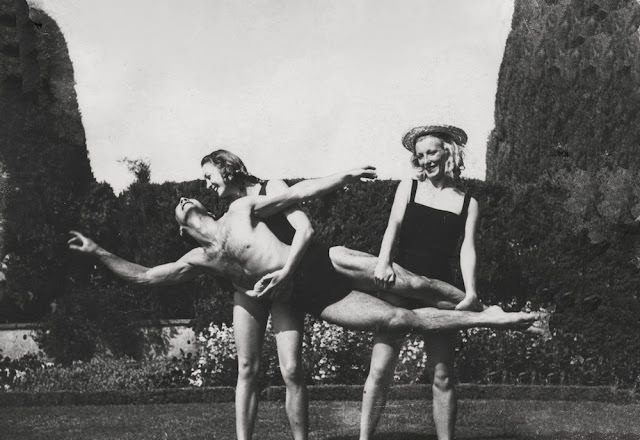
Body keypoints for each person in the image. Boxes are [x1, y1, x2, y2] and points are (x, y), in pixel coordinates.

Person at [359, 125, 481, 440]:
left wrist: (470, 292)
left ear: (448, 152)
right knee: (381, 370)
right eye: (421, 154)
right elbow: (393, 226)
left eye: (432, 152)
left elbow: (467, 249)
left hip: (439, 289)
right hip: (399, 282)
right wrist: (383, 262)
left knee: (442, 376)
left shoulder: (468, 202)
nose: (426, 159)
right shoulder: (408, 188)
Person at [200, 150, 312, 440]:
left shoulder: (272, 187)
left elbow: (306, 229)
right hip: (249, 294)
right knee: (247, 368)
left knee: (291, 369)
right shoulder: (230, 212)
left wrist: (286, 272)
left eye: (208, 176)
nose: (207, 185)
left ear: (227, 168)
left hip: (284, 287)